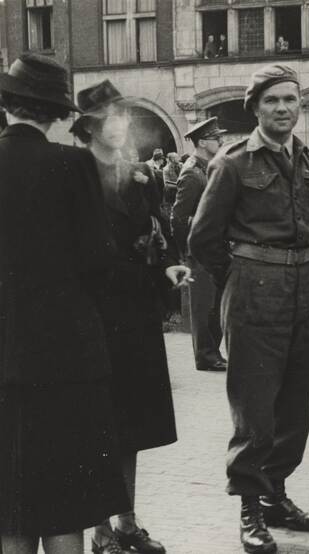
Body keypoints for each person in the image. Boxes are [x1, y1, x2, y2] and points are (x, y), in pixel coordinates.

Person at [189, 63, 309, 554]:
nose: (283, 108)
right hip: (254, 290)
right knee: (255, 407)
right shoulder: (232, 163)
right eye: (272, 101)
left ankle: (275, 496)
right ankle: (250, 508)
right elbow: (203, 237)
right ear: (255, 109)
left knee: (294, 405)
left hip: (304, 287)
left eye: (290, 99)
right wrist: (241, 277)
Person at [0, 53, 131, 554]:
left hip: (4, 360)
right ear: (56, 111)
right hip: (66, 358)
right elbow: (99, 261)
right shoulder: (72, 165)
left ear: (8, 103)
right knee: (64, 503)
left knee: (10, 505)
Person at [69, 79, 188, 554]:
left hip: (136, 316)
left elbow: (160, 232)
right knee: (97, 427)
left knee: (132, 427)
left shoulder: (142, 175)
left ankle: (127, 522)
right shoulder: (72, 174)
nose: (117, 125)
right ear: (87, 128)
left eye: (121, 116)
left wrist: (168, 266)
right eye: (105, 119)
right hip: (93, 316)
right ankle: (100, 531)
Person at [171, 117, 228, 372]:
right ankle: (205, 356)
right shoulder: (192, 173)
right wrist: (188, 250)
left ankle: (213, 352)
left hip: (215, 248)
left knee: (216, 303)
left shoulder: (209, 168)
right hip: (200, 251)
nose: (221, 141)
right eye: (216, 138)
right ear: (203, 142)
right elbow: (178, 217)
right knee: (203, 305)